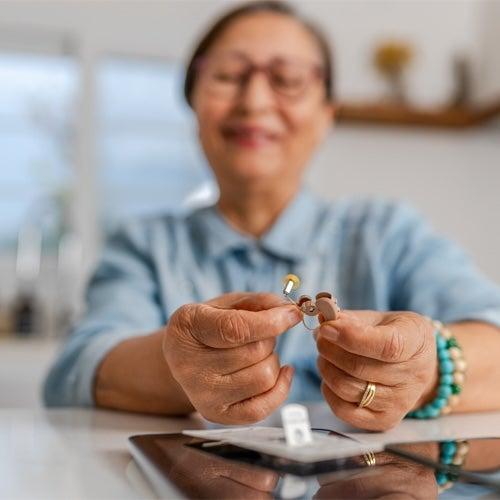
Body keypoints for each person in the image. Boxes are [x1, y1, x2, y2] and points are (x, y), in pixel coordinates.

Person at [44, 1, 500, 431]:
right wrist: (176, 365)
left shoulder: (387, 235)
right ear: (193, 102)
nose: (255, 100)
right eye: (227, 75)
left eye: (288, 78)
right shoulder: (143, 246)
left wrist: (430, 368)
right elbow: (76, 371)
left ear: (326, 115)